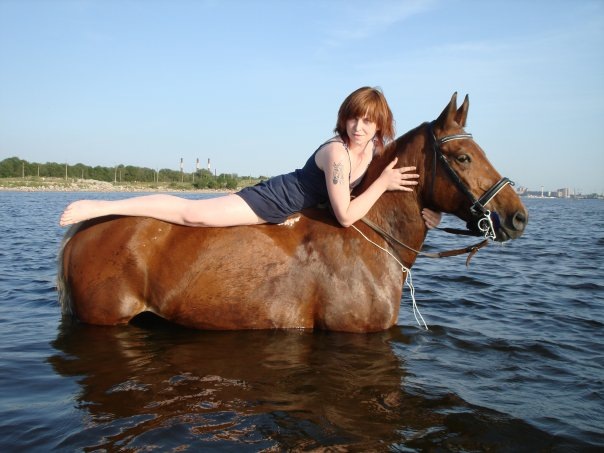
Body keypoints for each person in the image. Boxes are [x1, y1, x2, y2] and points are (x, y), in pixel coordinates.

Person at [59, 87, 441, 229]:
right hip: (274, 200)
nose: (358, 127)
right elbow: (345, 215)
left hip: (297, 205)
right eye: (353, 118)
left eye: (368, 121)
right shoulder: (337, 153)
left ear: (380, 125)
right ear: (344, 118)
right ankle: (102, 207)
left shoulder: (373, 151)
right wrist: (383, 183)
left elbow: (411, 183)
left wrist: (431, 212)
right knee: (193, 214)